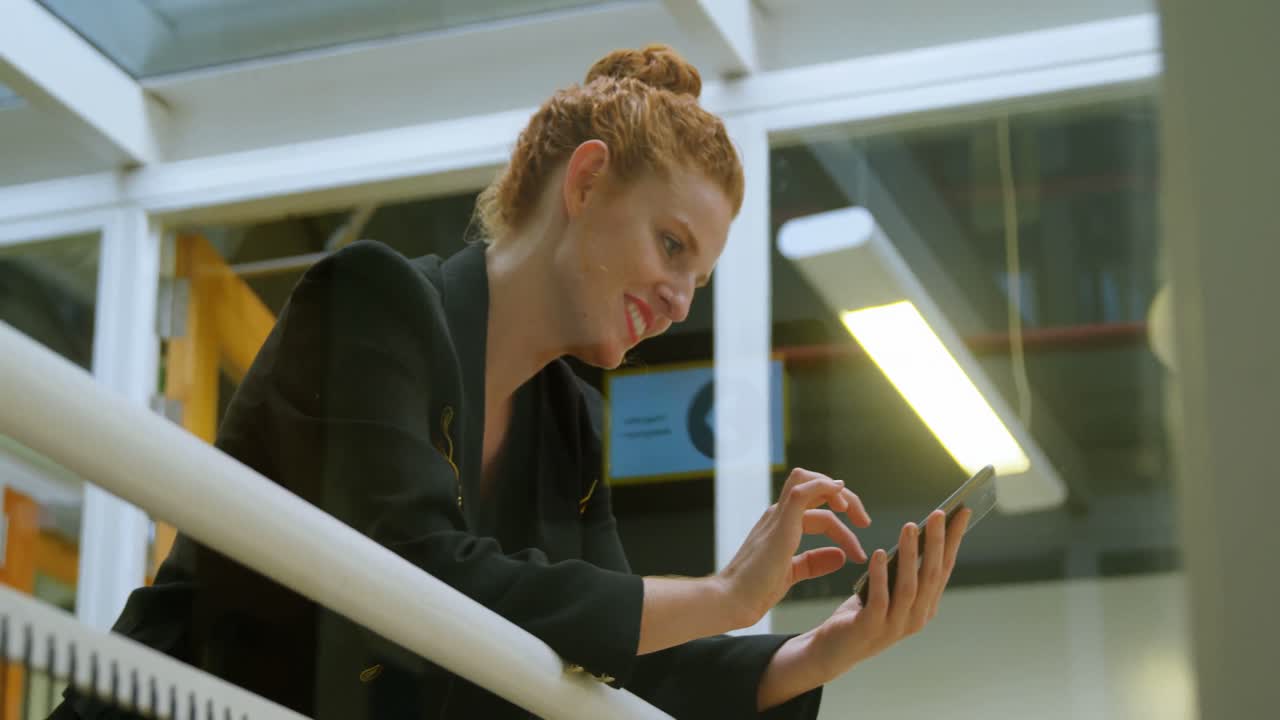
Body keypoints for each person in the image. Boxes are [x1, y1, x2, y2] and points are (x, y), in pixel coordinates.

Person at [53, 44, 970, 719]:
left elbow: (615, 656)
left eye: (699, 277)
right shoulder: (373, 300)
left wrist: (821, 649)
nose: (681, 298)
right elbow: (411, 577)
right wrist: (728, 595)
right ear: (587, 182)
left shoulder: (564, 419)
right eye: (672, 246)